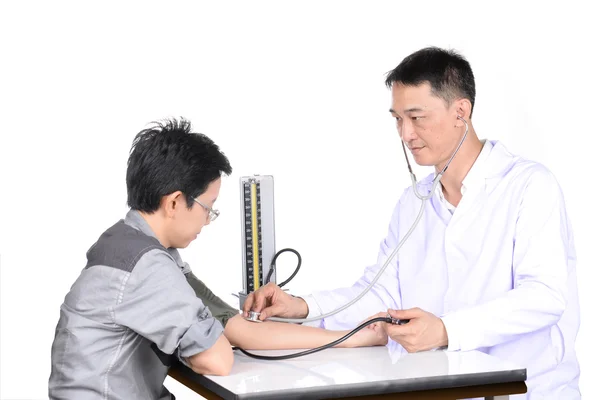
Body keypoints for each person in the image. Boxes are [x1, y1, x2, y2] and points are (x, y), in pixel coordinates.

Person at [243, 47, 581, 399]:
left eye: (416, 117)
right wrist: (302, 306)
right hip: (443, 390)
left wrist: (447, 330)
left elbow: (544, 296)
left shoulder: (529, 186)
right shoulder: (413, 203)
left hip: (531, 392)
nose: (405, 134)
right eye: (397, 119)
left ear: (460, 112)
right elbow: (381, 295)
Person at [48, 118, 387, 400]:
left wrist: (352, 337)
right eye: (208, 208)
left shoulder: (133, 244)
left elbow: (237, 328)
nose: (207, 221)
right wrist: (211, 339)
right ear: (175, 202)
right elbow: (217, 360)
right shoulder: (146, 265)